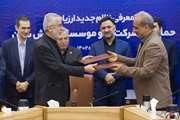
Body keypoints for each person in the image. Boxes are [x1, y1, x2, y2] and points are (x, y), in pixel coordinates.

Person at [108, 11, 172, 108]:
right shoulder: (146, 40)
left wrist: (122, 69)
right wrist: (119, 57)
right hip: (148, 99)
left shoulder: (153, 44)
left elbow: (146, 71)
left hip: (156, 101)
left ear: (146, 27)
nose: (133, 30)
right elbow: (138, 61)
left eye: (136, 28)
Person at [33, 13, 96, 106]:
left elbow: (63, 63)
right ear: (50, 28)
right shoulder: (42, 46)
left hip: (58, 94)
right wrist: (84, 69)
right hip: (49, 96)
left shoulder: (52, 43)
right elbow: (58, 67)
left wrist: (82, 62)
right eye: (59, 25)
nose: (61, 29)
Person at [89, 16, 131, 106]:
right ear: (100, 30)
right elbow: (92, 64)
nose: (106, 30)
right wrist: (105, 75)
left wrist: (114, 76)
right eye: (103, 28)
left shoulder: (125, 45)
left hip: (118, 89)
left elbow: (128, 65)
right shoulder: (94, 46)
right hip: (100, 90)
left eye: (109, 27)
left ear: (114, 28)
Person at [2, 16, 35, 108]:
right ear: (16, 28)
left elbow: (38, 68)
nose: (26, 31)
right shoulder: (6, 45)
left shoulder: (35, 45)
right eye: (23, 28)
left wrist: (27, 83)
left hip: (30, 93)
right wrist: (16, 83)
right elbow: (4, 68)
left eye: (28, 28)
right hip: (12, 93)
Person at [153, 17, 178, 96]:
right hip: (148, 88)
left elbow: (173, 66)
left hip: (166, 88)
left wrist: (157, 78)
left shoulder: (171, 45)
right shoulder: (143, 45)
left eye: (155, 27)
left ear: (160, 29)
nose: (152, 29)